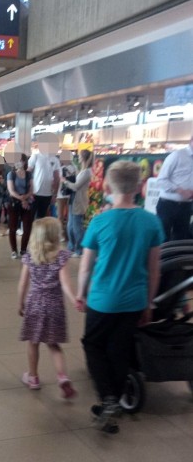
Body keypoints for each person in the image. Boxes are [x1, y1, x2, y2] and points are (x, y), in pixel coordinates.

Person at [76, 161, 164, 434]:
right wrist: (149, 303)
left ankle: (109, 399)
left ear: (106, 186)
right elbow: (154, 269)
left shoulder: (100, 221)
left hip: (102, 299)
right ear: (139, 187)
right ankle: (114, 399)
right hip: (134, 300)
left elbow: (86, 266)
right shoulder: (151, 221)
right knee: (119, 349)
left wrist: (80, 293)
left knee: (93, 345)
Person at [18, 217, 77, 399]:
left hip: (34, 304)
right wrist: (75, 299)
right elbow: (66, 284)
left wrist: (20, 303)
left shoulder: (30, 257)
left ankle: (33, 377)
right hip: (55, 307)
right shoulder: (61, 257)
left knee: (33, 342)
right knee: (54, 344)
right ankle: (62, 377)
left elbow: (22, 284)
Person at [156, 135, 193, 241]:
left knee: (181, 239)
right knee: (163, 238)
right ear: (191, 140)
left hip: (186, 206)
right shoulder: (177, 156)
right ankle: (162, 258)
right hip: (168, 205)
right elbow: (161, 180)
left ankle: (178, 258)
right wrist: (180, 191)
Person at [61, 149, 92, 257]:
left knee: (77, 227)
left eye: (79, 156)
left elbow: (75, 186)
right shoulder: (83, 170)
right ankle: (71, 247)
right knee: (70, 226)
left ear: (83, 158)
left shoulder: (87, 172)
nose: (77, 158)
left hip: (78, 201)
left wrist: (64, 181)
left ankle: (79, 250)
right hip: (74, 200)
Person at [7, 161, 34, 259]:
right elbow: (11, 191)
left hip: (27, 202)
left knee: (27, 227)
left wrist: (25, 198)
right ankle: (14, 250)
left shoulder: (29, 174)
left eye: (20, 160)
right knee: (12, 227)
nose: (18, 163)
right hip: (14, 202)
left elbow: (31, 189)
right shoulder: (11, 174)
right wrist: (22, 199)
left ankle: (23, 249)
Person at [28, 150, 61, 219]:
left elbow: (57, 178)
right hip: (34, 193)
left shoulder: (55, 160)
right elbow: (28, 173)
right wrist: (28, 191)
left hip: (47, 195)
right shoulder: (36, 156)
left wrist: (54, 195)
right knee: (29, 217)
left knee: (41, 218)